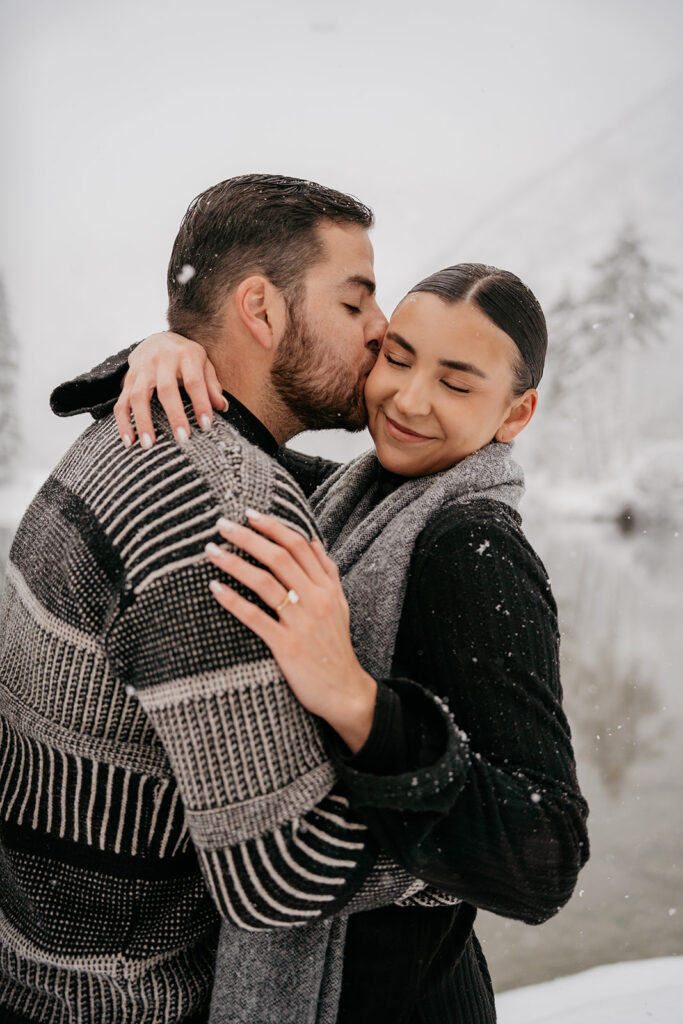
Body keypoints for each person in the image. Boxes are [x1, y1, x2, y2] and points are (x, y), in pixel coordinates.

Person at [55, 261, 590, 1022]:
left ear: (515, 414)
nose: (408, 399)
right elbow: (233, 436)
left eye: (456, 383)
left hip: (399, 1001)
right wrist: (168, 350)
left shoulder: (473, 549)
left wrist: (356, 699)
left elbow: (545, 856)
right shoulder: (356, 493)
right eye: (397, 357)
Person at [0, 174, 462, 1024]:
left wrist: (160, 342)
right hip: (115, 1002)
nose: (382, 328)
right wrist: (474, 843)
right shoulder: (219, 505)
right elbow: (278, 875)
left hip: (42, 970)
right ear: (261, 309)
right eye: (356, 301)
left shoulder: (129, 431)